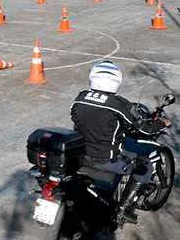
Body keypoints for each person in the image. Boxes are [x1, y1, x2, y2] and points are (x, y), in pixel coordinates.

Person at [70, 61, 170, 224]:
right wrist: (162, 123)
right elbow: (144, 128)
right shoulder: (118, 104)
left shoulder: (80, 98)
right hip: (107, 159)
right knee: (145, 165)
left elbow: (74, 117)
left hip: (80, 155)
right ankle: (123, 209)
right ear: (116, 81)